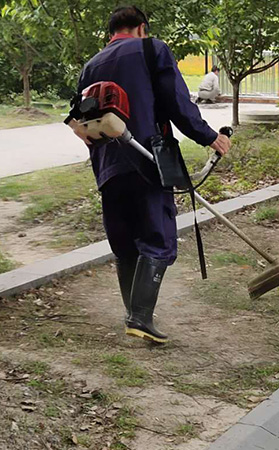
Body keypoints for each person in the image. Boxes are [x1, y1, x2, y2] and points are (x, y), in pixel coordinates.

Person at [68, 6, 231, 344]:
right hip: (148, 160)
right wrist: (208, 136)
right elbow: (176, 102)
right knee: (157, 238)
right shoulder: (151, 49)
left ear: (111, 33)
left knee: (124, 242)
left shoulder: (91, 65)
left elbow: (79, 122)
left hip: (108, 165)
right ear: (142, 28)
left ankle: (134, 315)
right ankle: (140, 318)